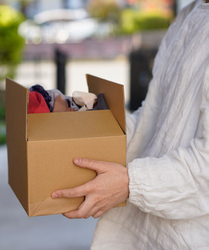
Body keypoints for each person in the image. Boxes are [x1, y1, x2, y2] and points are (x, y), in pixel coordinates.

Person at [52, 0, 209, 248]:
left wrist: (129, 183)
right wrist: (95, 121)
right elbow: (154, 119)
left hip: (187, 238)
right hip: (139, 231)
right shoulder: (189, 15)